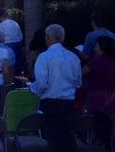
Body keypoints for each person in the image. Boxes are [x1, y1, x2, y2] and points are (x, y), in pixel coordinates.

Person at [29, 24, 82, 152]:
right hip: (69, 103)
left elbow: (41, 83)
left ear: (47, 37)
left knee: (54, 140)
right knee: (69, 139)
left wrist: (32, 89)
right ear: (62, 38)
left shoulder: (44, 57)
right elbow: (78, 82)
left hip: (51, 104)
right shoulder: (73, 57)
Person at [82, 36, 115, 151]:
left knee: (102, 124)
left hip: (98, 98)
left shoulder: (96, 61)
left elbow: (82, 72)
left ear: (103, 48)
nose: (95, 49)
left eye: (97, 46)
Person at [0, 9, 23, 73]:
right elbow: (21, 35)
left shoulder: (1, 25)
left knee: (10, 63)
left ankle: (10, 77)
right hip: (18, 43)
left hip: (8, 44)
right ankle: (18, 78)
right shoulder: (15, 23)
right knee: (18, 62)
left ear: (1, 17)